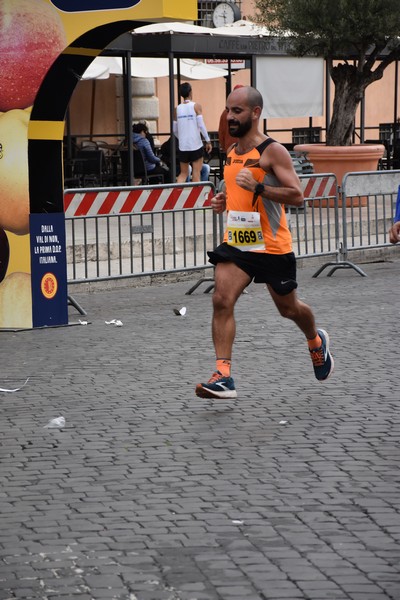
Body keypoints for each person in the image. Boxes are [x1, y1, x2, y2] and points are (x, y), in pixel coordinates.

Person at [195, 85, 334, 399]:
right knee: (221, 299)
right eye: (228, 110)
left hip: (272, 245)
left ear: (255, 113)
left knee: (289, 309)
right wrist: (223, 200)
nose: (230, 117)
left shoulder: (273, 151)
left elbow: (297, 196)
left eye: (237, 111)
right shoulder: (231, 154)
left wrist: (260, 189)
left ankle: (315, 341)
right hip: (239, 242)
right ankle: (224, 375)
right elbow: (234, 192)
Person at [174, 82, 212, 183]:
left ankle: (177, 195)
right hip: (195, 144)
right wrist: (208, 141)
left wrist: (181, 138)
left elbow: (174, 130)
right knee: (196, 173)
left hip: (183, 146)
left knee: (183, 173)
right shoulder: (196, 106)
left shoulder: (176, 109)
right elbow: (201, 125)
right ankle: (195, 197)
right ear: (190, 92)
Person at [218, 84, 244, 154]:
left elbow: (221, 132)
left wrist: (224, 147)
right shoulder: (245, 112)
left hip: (229, 148)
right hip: (244, 149)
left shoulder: (225, 112)